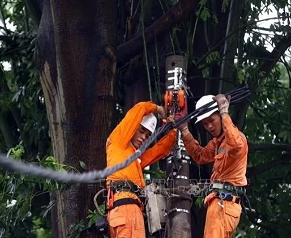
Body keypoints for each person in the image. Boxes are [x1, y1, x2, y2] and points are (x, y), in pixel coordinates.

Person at [176, 94, 248, 238]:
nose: (209, 126)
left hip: (225, 204)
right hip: (219, 203)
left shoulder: (236, 138)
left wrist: (224, 112)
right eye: (204, 123)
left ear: (220, 117)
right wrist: (184, 130)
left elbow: (235, 145)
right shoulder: (217, 143)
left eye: (211, 120)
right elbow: (200, 156)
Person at [105, 101, 177, 238]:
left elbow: (158, 151)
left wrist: (173, 131)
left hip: (122, 210)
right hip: (128, 209)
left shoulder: (132, 157)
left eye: (148, 135)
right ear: (133, 128)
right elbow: (140, 108)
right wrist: (158, 109)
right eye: (141, 131)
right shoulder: (119, 141)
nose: (144, 138)